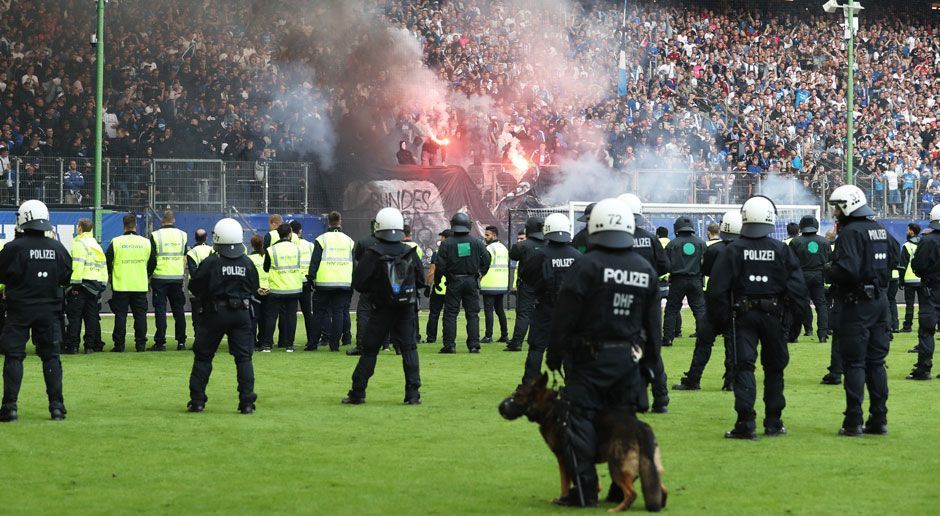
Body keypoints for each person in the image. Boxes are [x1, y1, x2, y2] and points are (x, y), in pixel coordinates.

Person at [544, 198, 662, 507]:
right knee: (623, 426)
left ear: (595, 227)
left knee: (577, 422)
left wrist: (553, 354)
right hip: (628, 361)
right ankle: (619, 487)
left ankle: (584, 491)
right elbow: (654, 326)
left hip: (587, 360)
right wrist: (650, 365)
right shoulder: (644, 268)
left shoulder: (586, 265)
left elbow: (564, 315)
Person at [707, 196, 809, 439]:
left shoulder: (733, 249)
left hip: (743, 316)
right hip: (774, 315)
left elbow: (717, 290)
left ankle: (745, 423)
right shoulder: (781, 249)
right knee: (774, 368)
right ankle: (774, 422)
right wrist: (796, 321)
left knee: (744, 367)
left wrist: (721, 320)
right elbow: (797, 289)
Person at [826, 185, 893, 436]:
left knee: (854, 364)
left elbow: (847, 270)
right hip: (879, 302)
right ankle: (879, 420)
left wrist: (827, 269)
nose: (835, 212)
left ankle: (853, 421)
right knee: (876, 363)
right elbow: (894, 258)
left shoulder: (850, 233)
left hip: (856, 305)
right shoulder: (879, 229)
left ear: (847, 206)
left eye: (837, 207)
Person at [342, 207, 424, 405]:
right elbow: (420, 281)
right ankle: (412, 395)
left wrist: (375, 289)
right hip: (405, 309)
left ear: (378, 227)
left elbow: (359, 283)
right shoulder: (409, 252)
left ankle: (358, 393)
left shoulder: (373, 253)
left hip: (381, 309)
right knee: (409, 349)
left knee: (370, 350)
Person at [0, 200, 72, 422]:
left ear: (23, 218)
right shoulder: (58, 248)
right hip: (49, 311)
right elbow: (66, 276)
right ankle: (57, 407)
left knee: (14, 356)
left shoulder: (13, 248)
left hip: (19, 310)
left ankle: (10, 408)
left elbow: (2, 275)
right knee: (51, 357)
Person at [186, 218, 259, 414]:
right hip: (241, 314)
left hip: (214, 314)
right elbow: (254, 286)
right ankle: (246, 403)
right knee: (244, 359)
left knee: (203, 357)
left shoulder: (211, 262)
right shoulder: (247, 262)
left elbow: (195, 286)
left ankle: (198, 401)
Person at [675, 210, 741, 392]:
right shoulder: (745, 250)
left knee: (703, 343)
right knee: (733, 344)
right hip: (736, 304)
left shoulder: (713, 249)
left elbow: (705, 270)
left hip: (715, 304)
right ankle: (731, 381)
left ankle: (693, 379)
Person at [619, 193, 670, 412]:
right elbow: (665, 265)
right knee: (652, 347)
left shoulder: (616, 239)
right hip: (649, 297)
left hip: (622, 299)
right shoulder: (650, 238)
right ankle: (661, 399)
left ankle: (633, 398)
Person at [520, 213, 580, 383]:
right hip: (571, 309)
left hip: (546, 306)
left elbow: (526, 275)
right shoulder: (577, 256)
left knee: (537, 347)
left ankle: (530, 384)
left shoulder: (541, 255)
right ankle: (572, 384)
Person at [435, 212, 490, 353]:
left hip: (454, 281)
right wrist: (479, 273)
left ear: (452, 224)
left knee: (450, 314)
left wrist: (437, 281)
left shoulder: (446, 243)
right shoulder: (476, 242)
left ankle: (449, 345)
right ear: (468, 225)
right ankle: (474, 345)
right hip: (471, 281)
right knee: (472, 314)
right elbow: (487, 259)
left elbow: (440, 266)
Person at [106, 213, 155, 352]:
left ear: (124, 226)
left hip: (121, 284)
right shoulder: (145, 242)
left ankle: (119, 345)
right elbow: (153, 263)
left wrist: (110, 275)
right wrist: (145, 274)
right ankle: (140, 345)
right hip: (139, 284)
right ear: (136, 225)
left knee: (120, 316)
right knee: (140, 316)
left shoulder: (116, 242)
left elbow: (107, 261)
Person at [308, 211, 354, 352]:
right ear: (340, 221)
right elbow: (354, 263)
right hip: (343, 283)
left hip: (323, 283)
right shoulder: (349, 241)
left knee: (318, 314)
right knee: (338, 313)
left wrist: (311, 278)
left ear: (328, 221)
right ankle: (335, 346)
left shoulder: (321, 239)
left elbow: (314, 261)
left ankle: (313, 345)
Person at [64, 218, 107, 355]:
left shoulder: (78, 242)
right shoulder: (96, 244)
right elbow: (103, 267)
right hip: (95, 286)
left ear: (80, 228)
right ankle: (89, 346)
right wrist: (102, 286)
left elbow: (78, 264)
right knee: (91, 318)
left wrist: (75, 286)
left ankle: (73, 346)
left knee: (75, 317)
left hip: (81, 284)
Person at [662, 216, 706, 346]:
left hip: (677, 281)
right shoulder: (701, 243)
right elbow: (706, 263)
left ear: (677, 229)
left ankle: (668, 338)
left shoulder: (672, 244)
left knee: (672, 310)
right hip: (695, 280)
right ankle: (704, 338)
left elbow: (665, 264)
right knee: (700, 310)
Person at [787, 216, 832, 343]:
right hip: (818, 276)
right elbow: (829, 261)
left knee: (800, 305)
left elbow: (790, 262)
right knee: (821, 304)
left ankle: (795, 335)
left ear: (801, 226)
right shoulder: (824, 242)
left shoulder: (795, 242)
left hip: (801, 276)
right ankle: (823, 334)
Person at [149, 210, 189, 351]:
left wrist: (150, 275)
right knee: (179, 310)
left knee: (160, 310)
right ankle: (181, 342)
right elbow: (184, 257)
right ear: (174, 221)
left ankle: (161, 342)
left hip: (160, 277)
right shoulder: (183, 235)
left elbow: (152, 259)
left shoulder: (155, 235)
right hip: (177, 277)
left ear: (162, 221)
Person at [909, 205, 940, 381]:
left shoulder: (927, 241)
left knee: (927, 331)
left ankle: (923, 368)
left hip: (931, 290)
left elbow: (918, 265)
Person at [505, 217, 544, 352]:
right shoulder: (549, 244)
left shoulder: (522, 246)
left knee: (523, 314)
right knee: (543, 313)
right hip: (545, 285)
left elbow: (513, 255)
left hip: (527, 285)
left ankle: (517, 343)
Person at [263, 223, 302, 352]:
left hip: (276, 288)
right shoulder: (297, 249)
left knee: (271, 317)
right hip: (293, 288)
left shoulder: (271, 250)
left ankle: (267, 345)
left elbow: (265, 268)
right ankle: (289, 345)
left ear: (278, 234)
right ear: (290, 234)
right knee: (291, 317)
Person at [347, 220, 381, 356]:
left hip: (369, 284)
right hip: (386, 284)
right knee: (391, 313)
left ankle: (362, 346)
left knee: (364, 314)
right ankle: (396, 346)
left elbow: (358, 260)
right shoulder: (392, 243)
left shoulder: (363, 242)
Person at [480, 225, 510, 343]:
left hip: (490, 283)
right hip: (501, 284)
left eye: (487, 235)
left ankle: (488, 336)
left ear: (494, 235)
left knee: (489, 310)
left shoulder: (489, 249)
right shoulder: (504, 248)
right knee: (500, 310)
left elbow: (485, 266)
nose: (485, 237)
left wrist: (481, 275)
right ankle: (504, 335)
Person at [290, 220, 316, 349]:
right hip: (306, 282)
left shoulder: (290, 246)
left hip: (293, 282)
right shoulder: (309, 245)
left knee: (291, 313)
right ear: (300, 231)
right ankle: (311, 340)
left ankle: (288, 341)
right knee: (307, 313)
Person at [424, 229, 451, 344]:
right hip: (452, 288)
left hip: (439, 288)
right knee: (449, 315)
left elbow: (432, 271)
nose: (440, 239)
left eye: (442, 237)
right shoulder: (456, 250)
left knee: (434, 314)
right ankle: (448, 337)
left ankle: (431, 337)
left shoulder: (438, 252)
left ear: (444, 238)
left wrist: (428, 285)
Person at [186, 229, 213, 341]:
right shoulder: (212, 250)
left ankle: (198, 341)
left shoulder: (191, 252)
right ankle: (210, 341)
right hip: (211, 289)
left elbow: (193, 273)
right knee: (210, 316)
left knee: (197, 318)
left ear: (195, 238)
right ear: (206, 238)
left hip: (196, 291)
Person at [899, 223, 922, 334]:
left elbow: (903, 265)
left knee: (909, 305)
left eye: (908, 230)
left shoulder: (907, 246)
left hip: (909, 280)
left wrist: (901, 280)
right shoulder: (923, 244)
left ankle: (907, 326)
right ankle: (924, 325)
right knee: (924, 305)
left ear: (912, 231)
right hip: (922, 279)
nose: (907, 231)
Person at [247, 235, 269, 350]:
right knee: (265, 317)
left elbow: (249, 277)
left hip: (255, 291)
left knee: (253, 317)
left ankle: (252, 342)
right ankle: (264, 341)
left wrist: (256, 288)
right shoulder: (267, 256)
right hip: (268, 289)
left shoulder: (249, 259)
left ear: (252, 245)